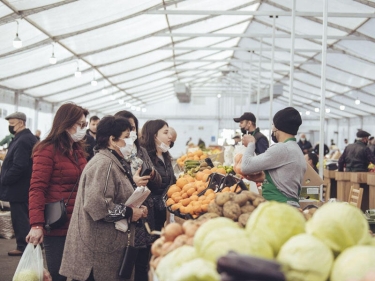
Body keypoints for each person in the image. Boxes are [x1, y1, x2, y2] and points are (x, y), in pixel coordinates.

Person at [59, 116, 148, 281]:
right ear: (112, 140)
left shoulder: (114, 161)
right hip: (97, 253)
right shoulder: (104, 164)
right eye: (126, 137)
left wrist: (136, 208)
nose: (130, 141)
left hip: (106, 247)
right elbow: (96, 205)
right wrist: (130, 212)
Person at [26, 103, 88, 281]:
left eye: (85, 124)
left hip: (78, 224)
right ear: (67, 123)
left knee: (80, 273)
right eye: (81, 124)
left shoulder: (78, 150)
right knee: (58, 274)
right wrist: (36, 224)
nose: (83, 129)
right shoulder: (46, 150)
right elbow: (37, 188)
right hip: (57, 223)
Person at [115, 110, 162, 281]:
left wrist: (152, 175)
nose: (130, 133)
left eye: (133, 128)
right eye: (126, 129)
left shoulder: (140, 151)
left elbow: (156, 179)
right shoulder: (115, 154)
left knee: (143, 262)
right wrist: (133, 182)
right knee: (124, 263)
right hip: (125, 215)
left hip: (144, 213)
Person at [241, 107, 306, 207]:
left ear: (276, 127)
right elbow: (286, 181)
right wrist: (264, 178)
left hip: (279, 207)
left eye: (273, 125)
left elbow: (246, 166)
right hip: (288, 206)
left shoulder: (281, 148)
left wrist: (251, 143)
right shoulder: (296, 149)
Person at [0, 112, 37, 256]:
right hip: (22, 186)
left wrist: (5, 179)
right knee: (24, 216)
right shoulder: (24, 138)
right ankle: (29, 245)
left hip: (19, 187)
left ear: (21, 123)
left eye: (12, 124)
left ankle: (23, 246)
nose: (10, 127)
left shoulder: (23, 140)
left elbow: (19, 165)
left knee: (20, 218)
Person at [140, 120, 176, 231]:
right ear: (154, 135)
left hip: (165, 208)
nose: (170, 136)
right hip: (151, 213)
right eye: (165, 133)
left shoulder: (166, 155)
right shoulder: (145, 158)